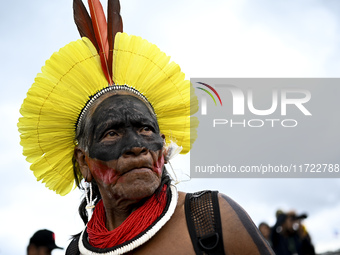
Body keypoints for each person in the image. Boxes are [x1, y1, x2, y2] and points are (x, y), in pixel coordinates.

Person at [18, 0, 275, 254]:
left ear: (162, 147)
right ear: (84, 162)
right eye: (111, 133)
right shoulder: (77, 252)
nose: (137, 146)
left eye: (145, 130)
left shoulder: (212, 219)